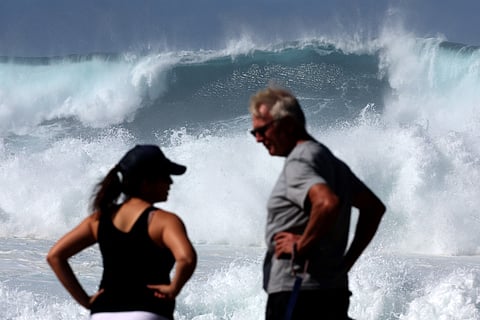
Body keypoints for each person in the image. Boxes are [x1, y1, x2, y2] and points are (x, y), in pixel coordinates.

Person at [249, 87, 386, 320]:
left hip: (298, 292)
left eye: (262, 130)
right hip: (331, 290)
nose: (258, 138)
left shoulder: (300, 160)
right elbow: (373, 208)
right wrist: (344, 265)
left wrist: (302, 245)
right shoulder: (330, 161)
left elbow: (326, 203)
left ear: (289, 124)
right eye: (254, 133)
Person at [47, 145, 197, 320]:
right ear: (146, 181)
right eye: (165, 175)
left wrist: (86, 301)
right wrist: (174, 289)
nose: (170, 182)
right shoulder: (164, 221)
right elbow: (186, 258)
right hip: (148, 311)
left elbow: (55, 256)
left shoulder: (98, 220)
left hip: (103, 314)